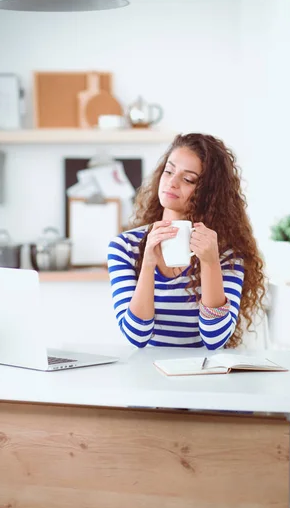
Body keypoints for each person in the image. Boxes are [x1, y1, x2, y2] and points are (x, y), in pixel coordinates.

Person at [107, 133, 266, 349]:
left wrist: (210, 263)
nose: (172, 183)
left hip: (204, 375)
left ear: (209, 193)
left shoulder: (228, 253)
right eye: (169, 171)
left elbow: (215, 339)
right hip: (147, 375)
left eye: (188, 179)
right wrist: (148, 263)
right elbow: (136, 336)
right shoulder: (125, 247)